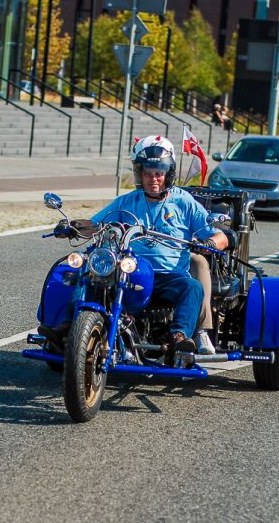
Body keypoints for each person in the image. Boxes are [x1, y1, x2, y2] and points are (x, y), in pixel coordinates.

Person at [57, 136, 230, 357]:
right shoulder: (127, 201)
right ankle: (70, 325)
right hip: (131, 271)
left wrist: (208, 243)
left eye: (159, 172)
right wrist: (73, 226)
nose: (153, 178)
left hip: (169, 277)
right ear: (140, 174)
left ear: (169, 173)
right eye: (147, 173)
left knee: (193, 287)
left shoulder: (184, 202)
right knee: (88, 271)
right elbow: (97, 224)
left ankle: (180, 337)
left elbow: (220, 237)